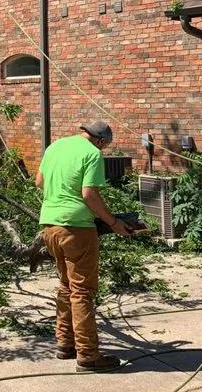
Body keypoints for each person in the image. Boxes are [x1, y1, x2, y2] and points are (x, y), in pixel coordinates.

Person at [36, 120, 132, 372]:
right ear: (100, 140)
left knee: (66, 286)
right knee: (82, 291)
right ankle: (88, 356)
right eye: (105, 146)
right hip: (77, 228)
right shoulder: (92, 153)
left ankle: (65, 343)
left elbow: (39, 182)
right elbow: (89, 194)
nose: (103, 150)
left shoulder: (55, 147)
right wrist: (113, 222)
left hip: (50, 226)